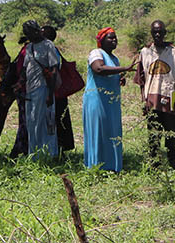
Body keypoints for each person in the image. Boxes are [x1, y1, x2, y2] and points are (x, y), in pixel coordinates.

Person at [82, 27, 137, 172]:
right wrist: (125, 68)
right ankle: (95, 166)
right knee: (98, 131)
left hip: (111, 102)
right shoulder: (96, 53)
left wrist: (119, 78)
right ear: (101, 41)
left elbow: (111, 73)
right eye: (110, 38)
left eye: (115, 38)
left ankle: (111, 166)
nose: (114, 40)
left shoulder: (114, 59)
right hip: (97, 99)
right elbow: (99, 69)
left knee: (111, 131)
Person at [135, 20, 175, 169]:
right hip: (152, 99)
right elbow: (141, 81)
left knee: (172, 133)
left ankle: (173, 162)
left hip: (169, 97)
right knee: (154, 133)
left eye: (160, 32)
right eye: (155, 32)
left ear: (165, 33)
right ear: (151, 33)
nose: (157, 34)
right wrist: (143, 101)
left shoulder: (174, 52)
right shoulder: (145, 52)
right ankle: (154, 163)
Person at [21, 20, 61, 158]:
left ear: (36, 31)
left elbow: (54, 69)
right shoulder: (30, 47)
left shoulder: (48, 45)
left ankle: (49, 154)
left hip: (43, 89)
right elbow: (26, 68)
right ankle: (35, 154)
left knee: (45, 122)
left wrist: (50, 93)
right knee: (32, 122)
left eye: (29, 33)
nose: (28, 36)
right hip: (30, 90)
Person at [41, 24, 74, 155]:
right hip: (56, 90)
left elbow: (53, 72)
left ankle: (58, 149)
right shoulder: (49, 49)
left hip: (54, 91)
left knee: (56, 119)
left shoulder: (50, 50)